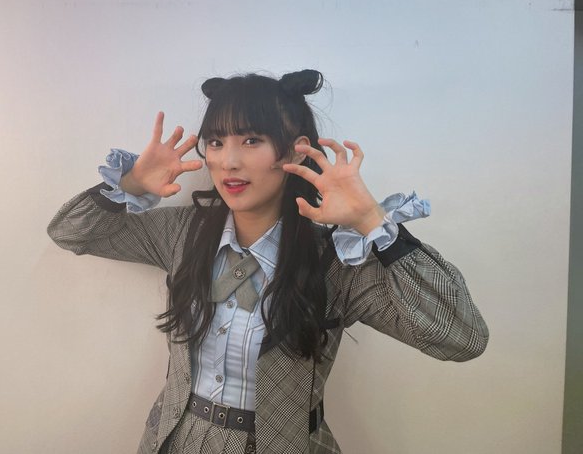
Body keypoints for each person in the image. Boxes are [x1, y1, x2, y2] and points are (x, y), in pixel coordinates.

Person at [47, 70, 488, 454]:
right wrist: (130, 183)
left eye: (251, 140)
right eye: (216, 142)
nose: (228, 161)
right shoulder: (185, 233)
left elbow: (462, 338)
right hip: (175, 439)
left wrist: (372, 221)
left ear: (294, 152)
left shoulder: (335, 259)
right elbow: (71, 231)